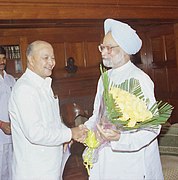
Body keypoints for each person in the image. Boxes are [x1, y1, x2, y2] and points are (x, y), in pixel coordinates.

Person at [84, 19, 164, 180]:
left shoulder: (139, 79)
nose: (103, 52)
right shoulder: (104, 78)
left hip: (132, 162)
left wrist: (121, 138)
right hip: (107, 158)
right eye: (102, 47)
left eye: (109, 48)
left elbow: (152, 128)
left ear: (125, 50)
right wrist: (84, 129)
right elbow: (97, 115)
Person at [8, 40, 88, 180]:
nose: (51, 62)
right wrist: (69, 134)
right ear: (31, 60)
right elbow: (35, 133)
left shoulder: (44, 84)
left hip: (51, 167)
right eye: (45, 58)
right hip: (34, 171)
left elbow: (52, 122)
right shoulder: (25, 89)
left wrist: (65, 136)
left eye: (53, 58)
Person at [0, 46, 16, 180]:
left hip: (13, 132)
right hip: (0, 132)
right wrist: (1, 124)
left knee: (13, 168)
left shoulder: (11, 79)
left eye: (4, 58)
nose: (2, 61)